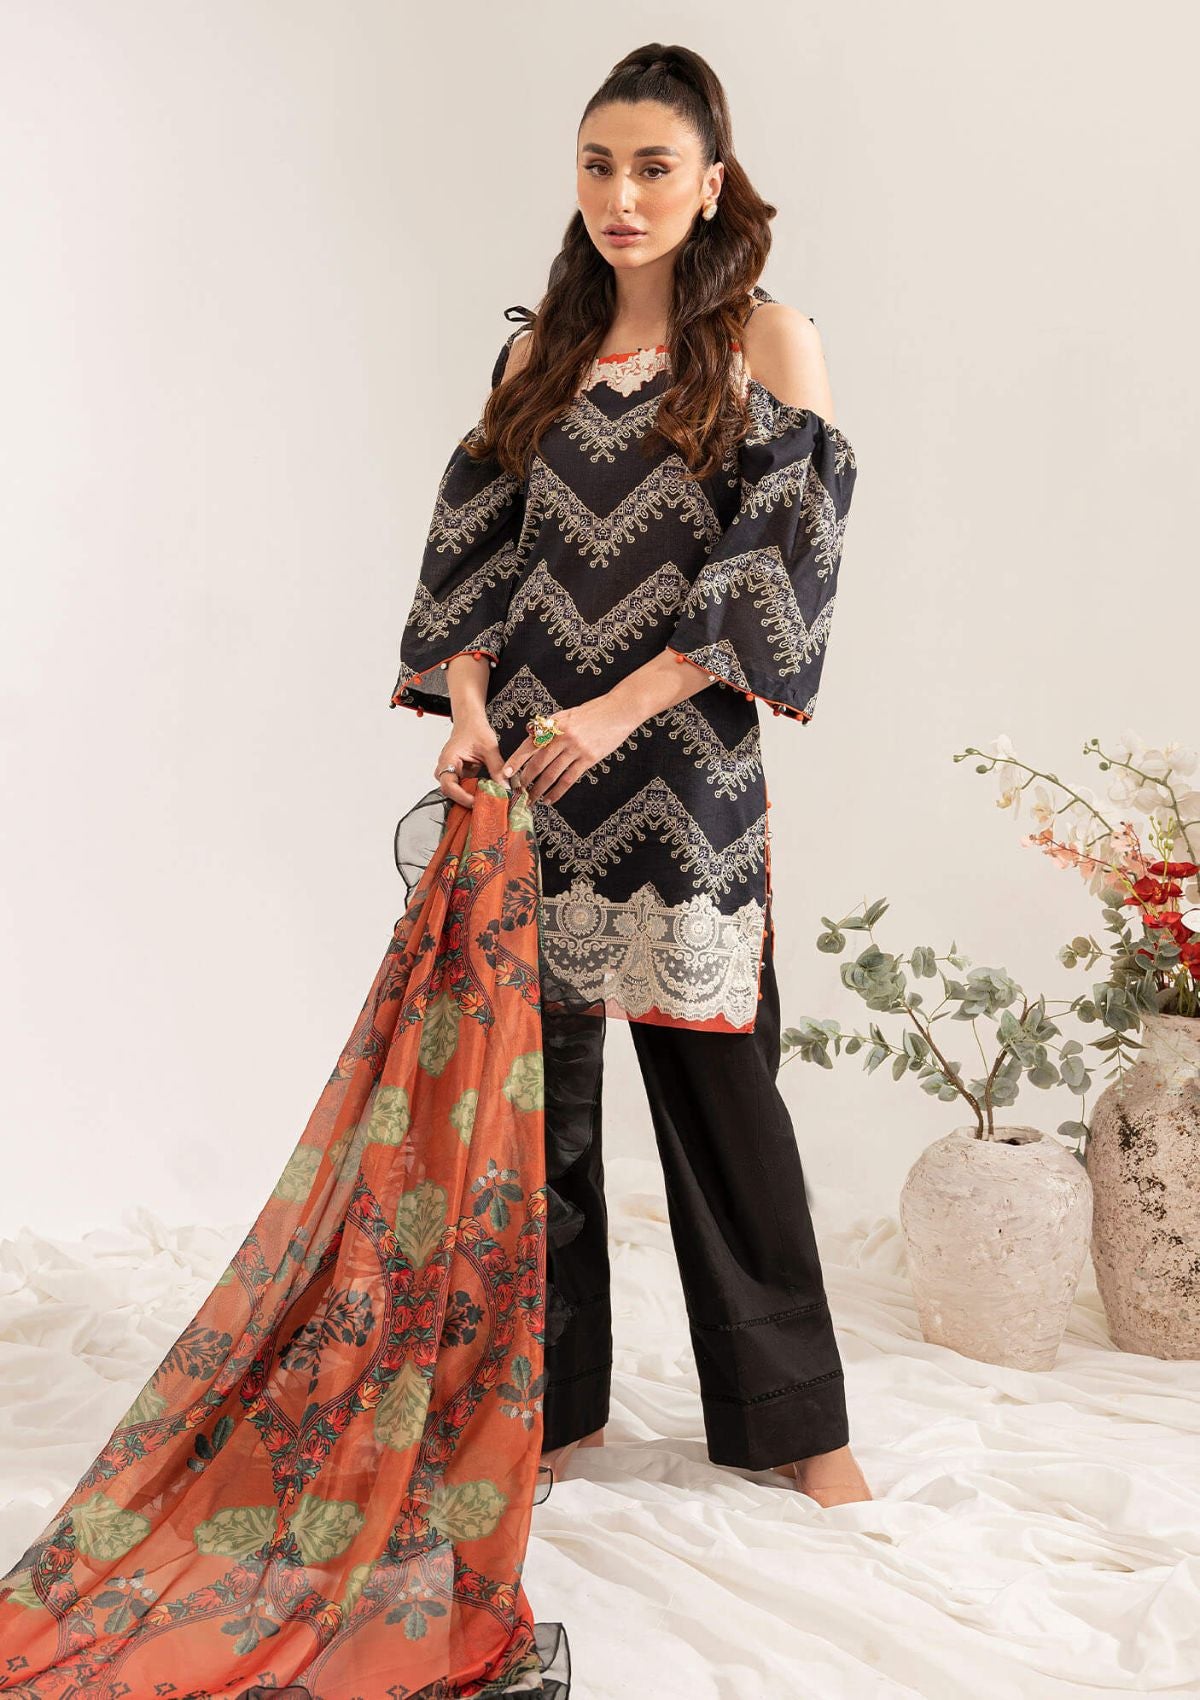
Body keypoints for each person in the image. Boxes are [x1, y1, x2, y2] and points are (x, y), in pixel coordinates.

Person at [391, 42, 872, 1508]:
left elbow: (774, 564)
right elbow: (477, 554)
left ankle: (801, 1428)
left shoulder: (768, 341)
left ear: (712, 182)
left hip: (683, 768)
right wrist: (466, 709)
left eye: (655, 167)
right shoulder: (538, 353)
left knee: (726, 1101)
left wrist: (621, 706)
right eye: (599, 165)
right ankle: (551, 1409)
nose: (623, 195)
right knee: (535, 1109)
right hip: (533, 774)